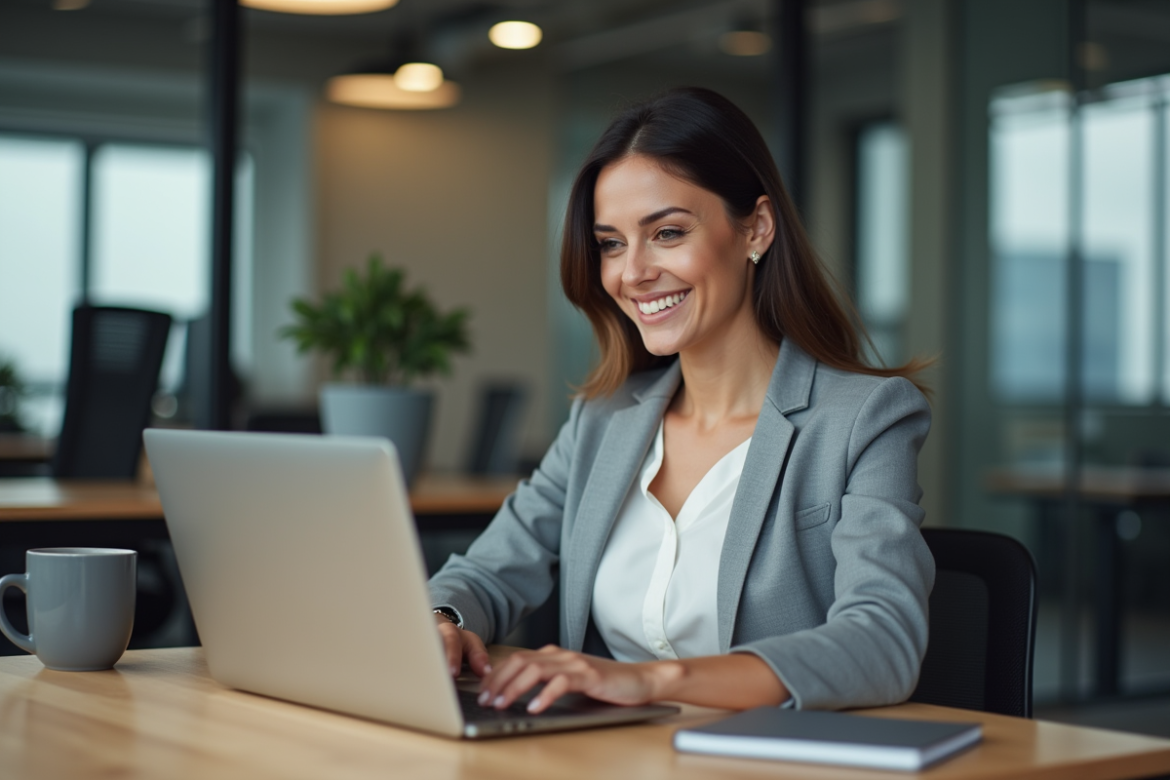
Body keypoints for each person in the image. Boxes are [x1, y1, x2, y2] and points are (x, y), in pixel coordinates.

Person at [428, 86, 934, 715]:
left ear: (756, 228)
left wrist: (649, 682)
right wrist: (442, 618)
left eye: (666, 232)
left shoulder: (865, 420)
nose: (632, 272)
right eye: (611, 243)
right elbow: (487, 573)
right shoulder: (603, 422)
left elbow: (882, 643)